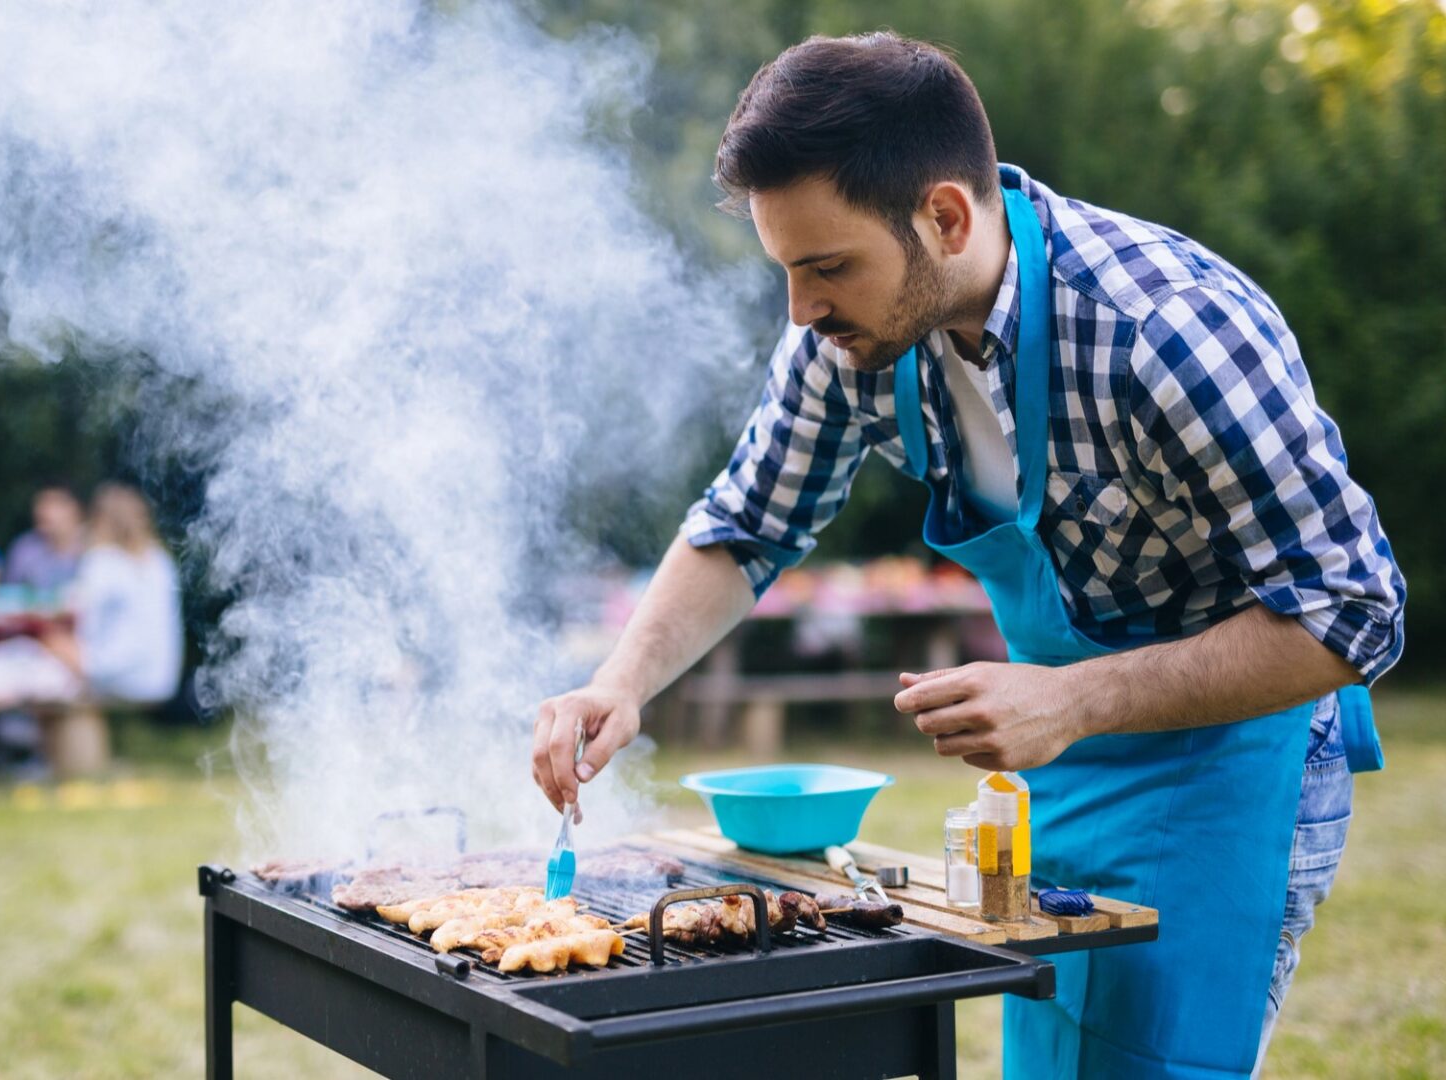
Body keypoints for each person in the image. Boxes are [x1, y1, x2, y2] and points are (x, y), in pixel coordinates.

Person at [531, 33, 1404, 1080]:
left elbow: (1354, 612)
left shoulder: (1165, 331)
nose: (802, 312)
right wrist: (619, 684)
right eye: (788, 272)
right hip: (1058, 761)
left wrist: (1072, 701)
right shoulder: (850, 341)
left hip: (1233, 766)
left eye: (827, 267)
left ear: (946, 217)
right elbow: (750, 522)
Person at [40, 483, 182, 703]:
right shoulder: (160, 560)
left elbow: (75, 611)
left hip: (115, 674)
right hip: (161, 677)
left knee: (45, 650)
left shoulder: (102, 560)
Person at [1, 485, 84, 598]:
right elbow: (8, 598)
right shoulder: (24, 548)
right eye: (40, 503)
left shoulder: (94, 547)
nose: (43, 511)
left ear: (75, 508)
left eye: (52, 504)